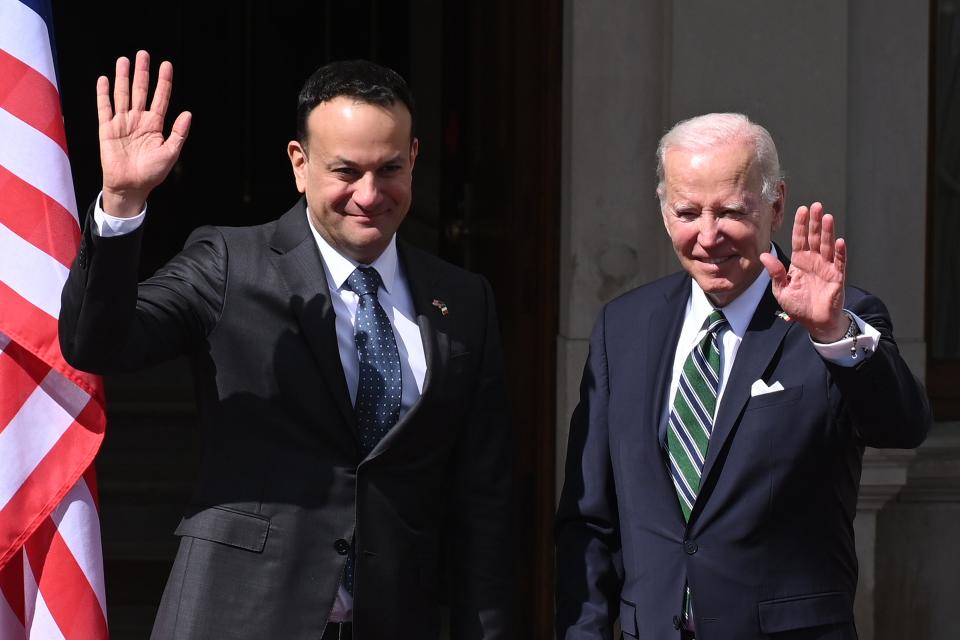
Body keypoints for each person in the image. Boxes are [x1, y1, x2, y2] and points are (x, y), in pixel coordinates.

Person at [59, 51, 513, 640]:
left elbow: (486, 502)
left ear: (415, 160)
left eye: (390, 169)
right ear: (300, 165)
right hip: (239, 615)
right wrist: (121, 205)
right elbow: (97, 344)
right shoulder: (230, 264)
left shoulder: (463, 301)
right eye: (346, 172)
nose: (370, 195)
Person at [555, 112, 931, 639]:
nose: (708, 236)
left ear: (775, 205)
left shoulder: (835, 318)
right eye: (687, 212)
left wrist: (831, 331)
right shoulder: (624, 327)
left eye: (730, 211)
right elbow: (590, 516)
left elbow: (903, 426)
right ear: (664, 213)